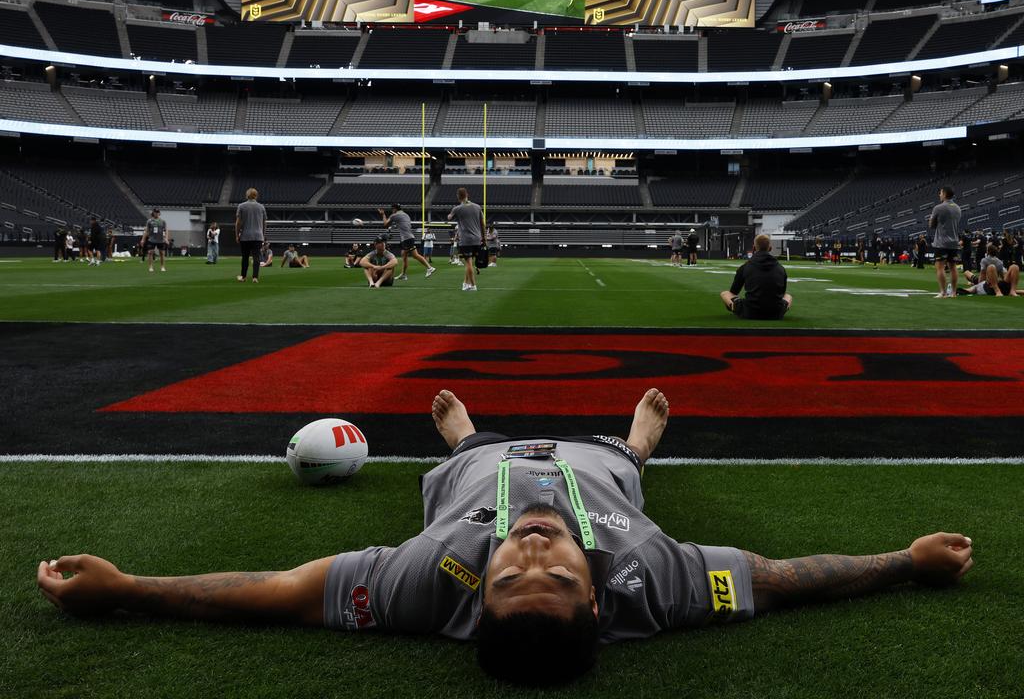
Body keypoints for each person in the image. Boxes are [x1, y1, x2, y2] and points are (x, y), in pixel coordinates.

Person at [35, 388, 974, 688]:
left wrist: (127, 588)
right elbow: (782, 577)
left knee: (466, 447)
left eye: (508, 578)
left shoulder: (420, 587)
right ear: (597, 598)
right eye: (553, 576)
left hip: (477, 463)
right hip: (599, 459)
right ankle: (642, 441)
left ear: (473, 597)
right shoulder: (655, 583)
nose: (529, 554)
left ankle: (462, 436)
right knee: (627, 457)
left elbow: (278, 589)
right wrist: (906, 562)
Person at [720, 234, 792, 320]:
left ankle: (735, 309)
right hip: (776, 313)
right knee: (788, 296)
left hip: (750, 312)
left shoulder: (745, 266)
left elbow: (733, 291)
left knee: (725, 294)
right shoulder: (781, 268)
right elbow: (782, 293)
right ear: (770, 248)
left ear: (754, 248)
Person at [379, 204, 436, 281]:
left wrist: (383, 214)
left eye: (392, 209)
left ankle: (429, 268)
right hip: (408, 238)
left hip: (407, 239)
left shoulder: (394, 215)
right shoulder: (406, 215)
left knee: (415, 255)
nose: (392, 211)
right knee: (404, 255)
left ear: (395, 209)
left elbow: (385, 224)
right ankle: (404, 274)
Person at [448, 187, 486, 291]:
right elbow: (483, 224)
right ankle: (465, 283)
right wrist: (484, 238)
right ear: (467, 194)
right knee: (470, 262)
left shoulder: (457, 208)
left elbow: (449, 217)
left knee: (468, 263)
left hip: (466, 240)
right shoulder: (477, 207)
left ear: (458, 196)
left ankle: (473, 285)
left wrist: (451, 214)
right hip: (477, 239)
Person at [929, 186, 961, 298]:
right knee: (953, 267)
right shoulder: (958, 208)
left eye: (940, 193)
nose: (939, 194)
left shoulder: (938, 208)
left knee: (940, 267)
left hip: (941, 242)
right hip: (954, 242)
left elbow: (931, 226)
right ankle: (953, 292)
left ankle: (943, 292)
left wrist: (931, 219)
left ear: (945, 194)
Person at [236, 188, 267, 283]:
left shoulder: (241, 206)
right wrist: (263, 235)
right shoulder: (261, 207)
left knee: (245, 257)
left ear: (247, 195)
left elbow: (238, 223)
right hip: (258, 236)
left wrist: (237, 235)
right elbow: (264, 223)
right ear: (256, 196)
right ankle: (255, 277)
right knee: (256, 257)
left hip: (245, 235)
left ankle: (243, 276)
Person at [140, 209, 169, 273]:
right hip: (152, 239)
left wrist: (166, 238)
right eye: (155, 212)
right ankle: (150, 267)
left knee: (162, 253)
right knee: (150, 252)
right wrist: (143, 240)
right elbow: (146, 231)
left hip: (161, 240)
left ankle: (162, 267)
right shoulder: (149, 221)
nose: (156, 213)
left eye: (157, 212)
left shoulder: (163, 221)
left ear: (159, 213)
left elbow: (166, 230)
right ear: (153, 213)